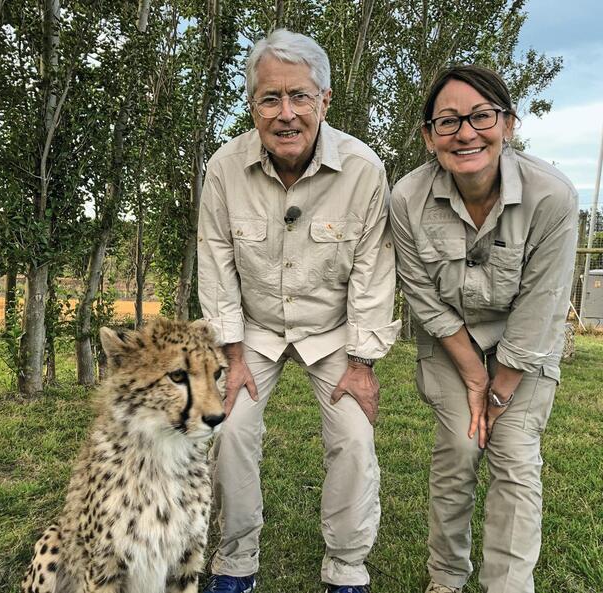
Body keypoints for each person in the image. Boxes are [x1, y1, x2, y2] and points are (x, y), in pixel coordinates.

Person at [197, 29, 400, 593]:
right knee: (230, 428)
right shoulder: (224, 168)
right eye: (270, 98)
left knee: (355, 439)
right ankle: (236, 561)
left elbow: (372, 271)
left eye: (300, 97)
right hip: (255, 331)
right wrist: (230, 355)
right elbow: (216, 266)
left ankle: (347, 567)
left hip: (333, 331)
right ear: (252, 104)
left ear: (325, 100)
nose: (286, 114)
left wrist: (362, 362)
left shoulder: (363, 169)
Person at [390, 65, 578, 593]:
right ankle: (446, 578)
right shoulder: (406, 198)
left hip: (526, 349)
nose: (467, 133)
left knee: (515, 460)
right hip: (451, 344)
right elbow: (421, 295)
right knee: (459, 448)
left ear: (509, 124)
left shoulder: (553, 197)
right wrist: (474, 377)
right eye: (448, 121)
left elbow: (543, 308)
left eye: (481, 116)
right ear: (429, 137)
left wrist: (498, 392)